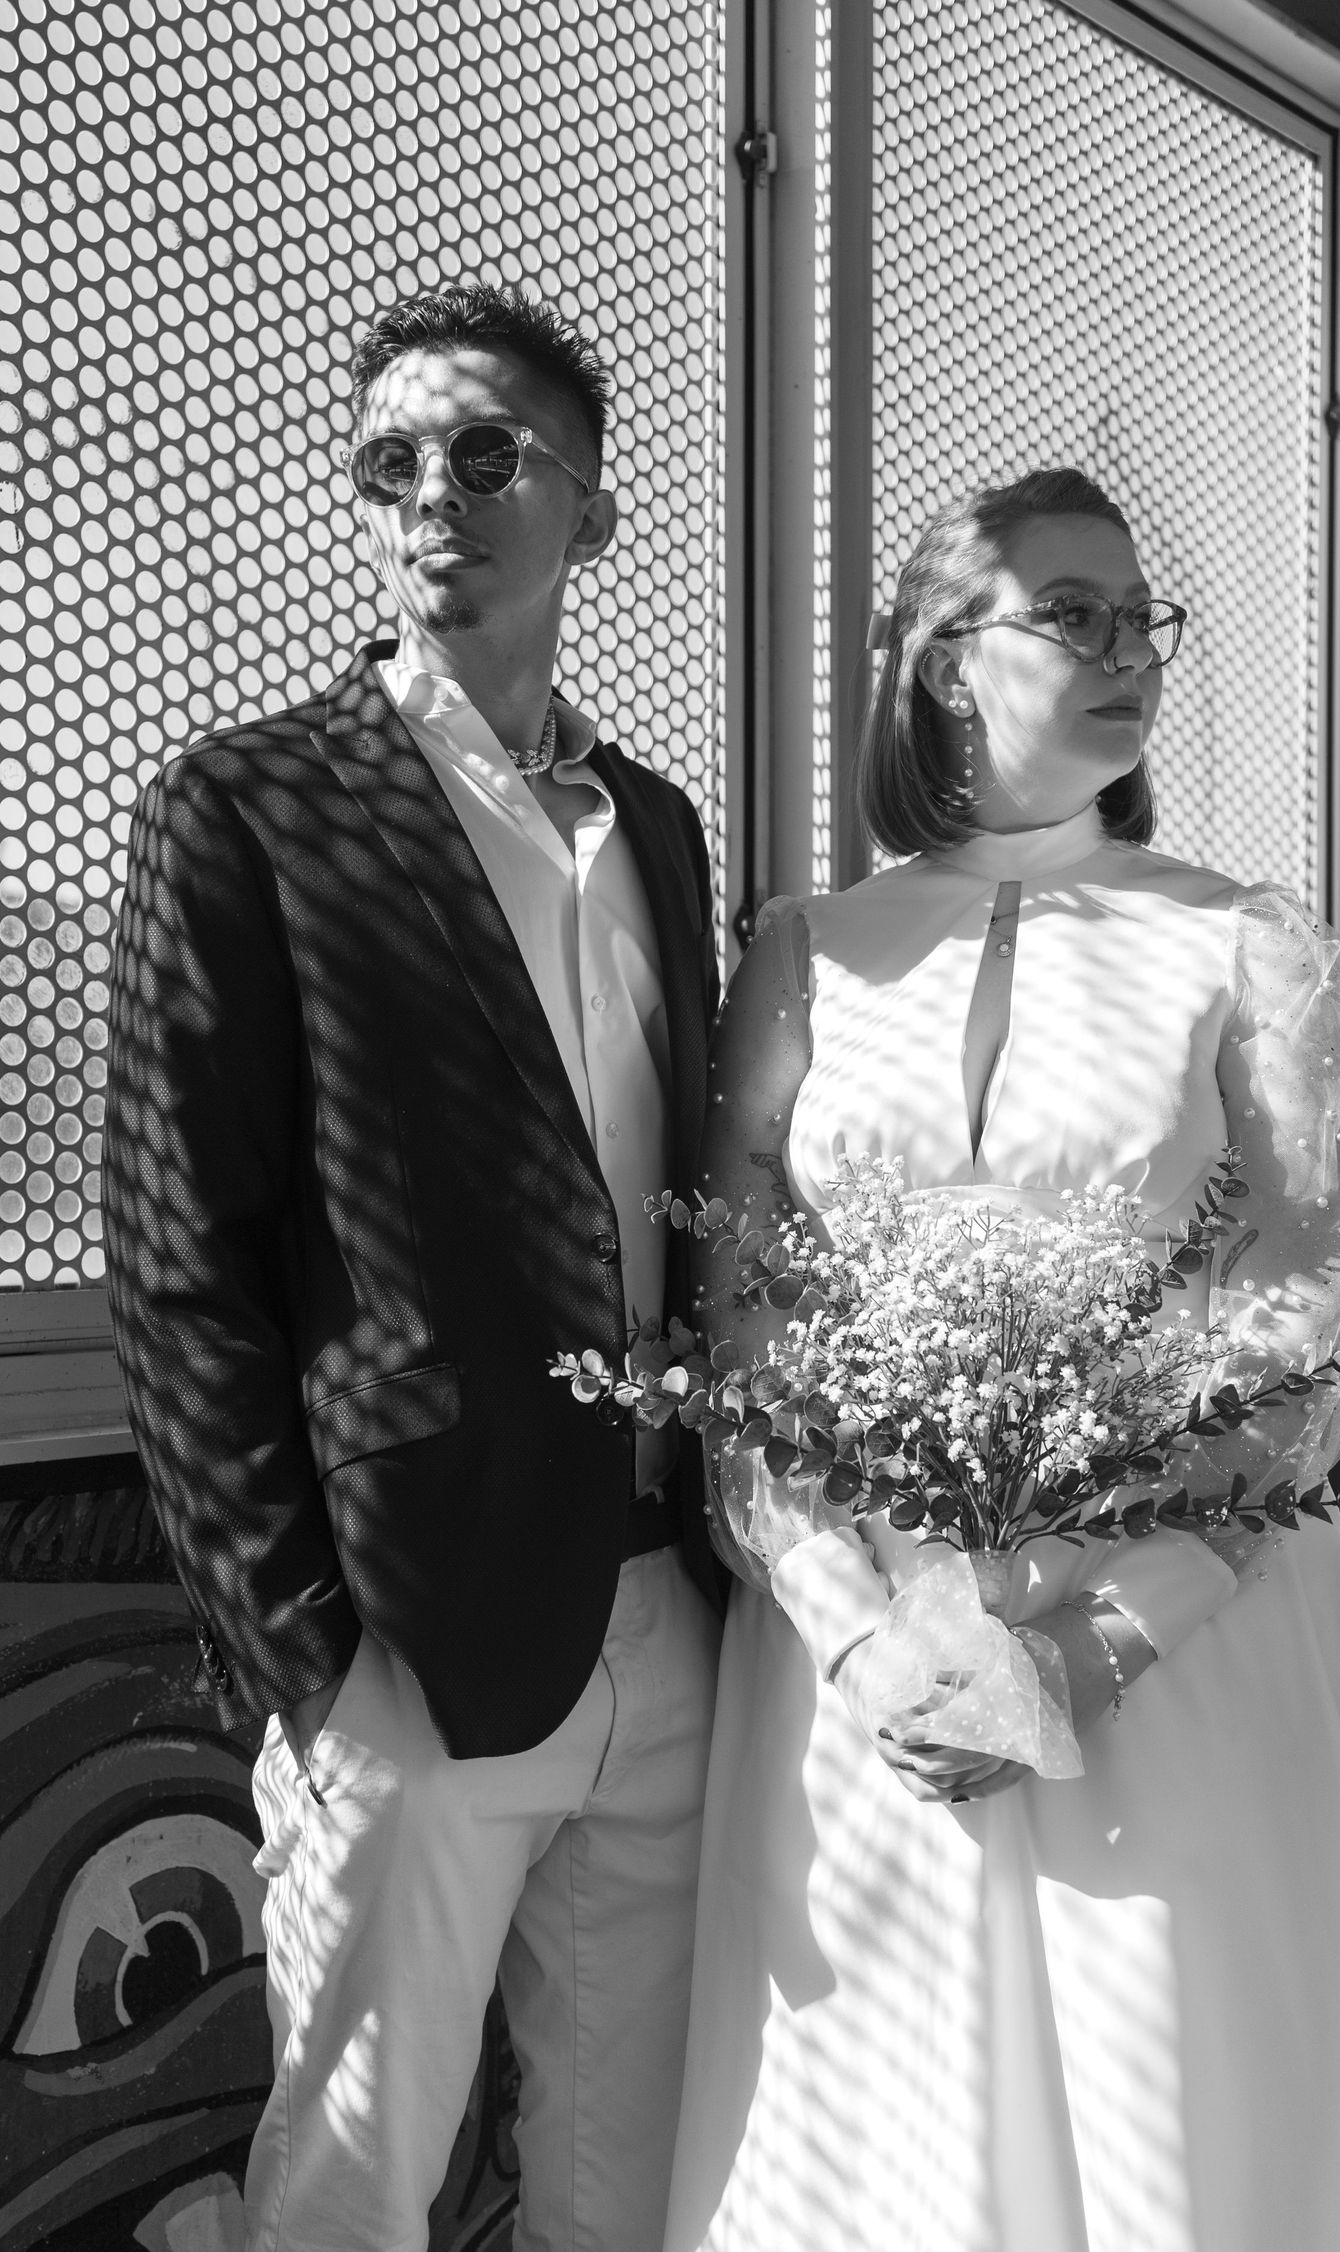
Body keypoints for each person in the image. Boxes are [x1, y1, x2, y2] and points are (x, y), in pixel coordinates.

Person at [662, 468, 1340, 2251]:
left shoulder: (1251, 941)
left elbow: (1304, 1323)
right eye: (1073, 614)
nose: (1129, 652)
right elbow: (740, 1324)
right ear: (944, 661)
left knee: (1191, 2149)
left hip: (1190, 1651)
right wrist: (861, 1635)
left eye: (1143, 619)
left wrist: (1096, 1649)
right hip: (868, 1684)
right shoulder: (802, 952)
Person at [103, 281, 722, 2252]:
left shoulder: (662, 835)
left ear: (592, 510)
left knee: (632, 2194)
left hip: (673, 1616)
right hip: (414, 1633)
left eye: (485, 451)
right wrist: (307, 1654)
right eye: (390, 462)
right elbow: (180, 1260)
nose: (432, 493)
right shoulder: (252, 806)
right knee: (352, 2198)